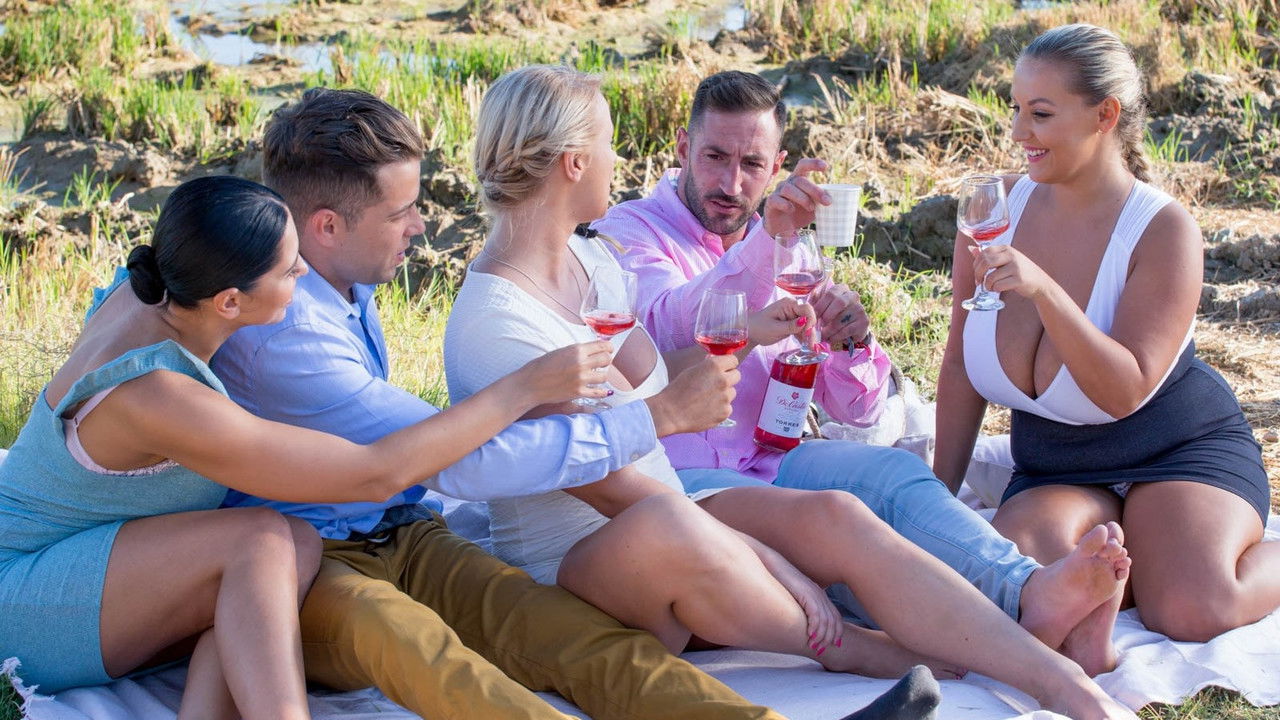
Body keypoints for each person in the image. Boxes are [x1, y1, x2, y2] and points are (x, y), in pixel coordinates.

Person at [445, 63, 1138, 720]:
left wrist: (814, 346)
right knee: (677, 525)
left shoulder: (589, 259)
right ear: (573, 163)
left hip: (666, 497)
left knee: (834, 512)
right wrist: (769, 556)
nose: (615, 157)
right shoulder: (498, 322)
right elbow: (607, 477)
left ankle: (1061, 682)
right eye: (604, 143)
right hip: (578, 556)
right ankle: (856, 649)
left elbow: (663, 370)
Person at [210, 86, 911, 720]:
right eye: (402, 212)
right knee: (435, 659)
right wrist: (600, 406)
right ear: (328, 225)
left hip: (404, 531)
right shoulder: (287, 334)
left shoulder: (343, 276)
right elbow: (461, 463)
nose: (422, 225)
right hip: (317, 557)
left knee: (578, 641)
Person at [0, 175, 611, 719]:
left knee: (293, 542)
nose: (305, 279)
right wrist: (524, 388)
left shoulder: (158, 288)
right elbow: (375, 474)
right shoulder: (158, 395)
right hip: (27, 599)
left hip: (85, 558)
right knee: (259, 539)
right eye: (291, 271)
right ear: (230, 302)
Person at [933, 23, 1278, 646]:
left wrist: (1045, 292)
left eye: (1039, 114)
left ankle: (1167, 557)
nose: (1017, 134)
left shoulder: (1165, 230)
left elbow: (1125, 390)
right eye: (1015, 110)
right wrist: (938, 494)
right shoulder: (991, 214)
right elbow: (960, 367)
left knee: (1193, 608)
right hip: (1057, 467)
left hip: (1178, 453)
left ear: (1105, 115)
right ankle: (1133, 565)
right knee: (1020, 590)